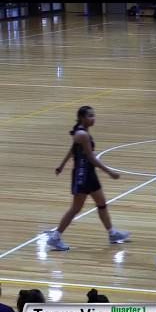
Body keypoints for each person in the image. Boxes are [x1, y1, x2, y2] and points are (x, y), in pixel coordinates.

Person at [47, 106, 129, 251]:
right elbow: (91, 157)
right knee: (76, 208)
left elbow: (73, 150)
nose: (93, 118)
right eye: (90, 116)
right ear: (82, 118)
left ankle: (112, 233)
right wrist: (109, 172)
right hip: (82, 174)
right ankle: (55, 237)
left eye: (94, 115)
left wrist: (61, 165)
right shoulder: (82, 134)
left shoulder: (81, 131)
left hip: (88, 173)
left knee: (102, 203)